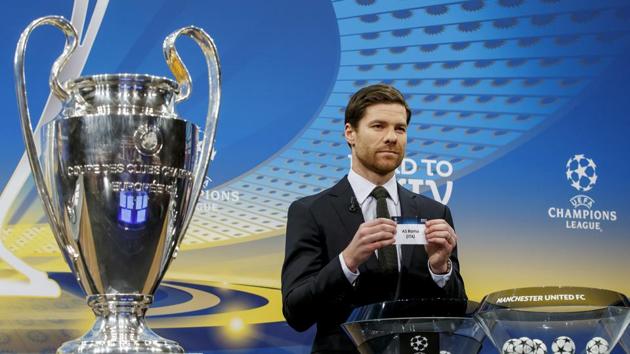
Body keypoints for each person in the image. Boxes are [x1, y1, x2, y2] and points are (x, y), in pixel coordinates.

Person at [281, 84, 466, 353]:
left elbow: (458, 314)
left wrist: (439, 269)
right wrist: (348, 262)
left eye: (400, 128)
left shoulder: (435, 213)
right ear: (350, 133)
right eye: (378, 126)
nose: (392, 137)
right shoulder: (310, 211)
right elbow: (296, 313)